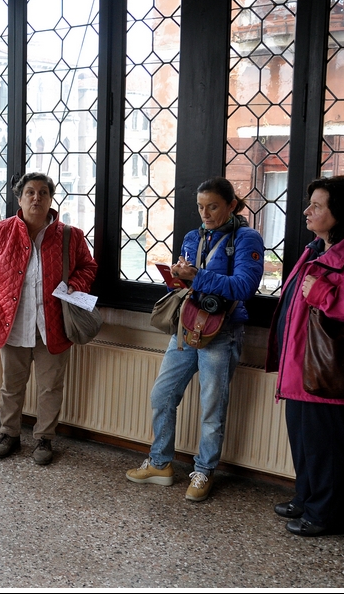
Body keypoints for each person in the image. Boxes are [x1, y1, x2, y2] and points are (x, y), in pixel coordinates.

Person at [126, 177, 264, 501]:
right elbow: (187, 285)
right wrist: (177, 276)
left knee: (211, 407)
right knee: (162, 395)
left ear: (231, 205)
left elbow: (244, 287)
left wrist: (197, 276)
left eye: (213, 206)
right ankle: (160, 463)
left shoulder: (247, 239)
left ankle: (204, 471)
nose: (205, 213)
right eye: (201, 207)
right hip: (188, 326)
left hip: (222, 331)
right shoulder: (193, 237)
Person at [266, 176, 344, 536]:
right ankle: (307, 498)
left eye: (317, 206)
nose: (307, 211)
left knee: (325, 446)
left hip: (327, 368)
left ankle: (326, 515)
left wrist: (324, 294)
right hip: (301, 365)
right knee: (305, 441)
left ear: (341, 214)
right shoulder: (319, 248)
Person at [0, 172, 97, 466]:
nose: (36, 198)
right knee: (11, 385)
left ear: (51, 199)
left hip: (53, 325)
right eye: (30, 192)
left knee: (50, 387)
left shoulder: (70, 235)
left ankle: (44, 438)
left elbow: (88, 267)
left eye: (43, 192)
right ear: (20, 198)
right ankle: (9, 434)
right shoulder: (0, 232)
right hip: (11, 324)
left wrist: (74, 285)